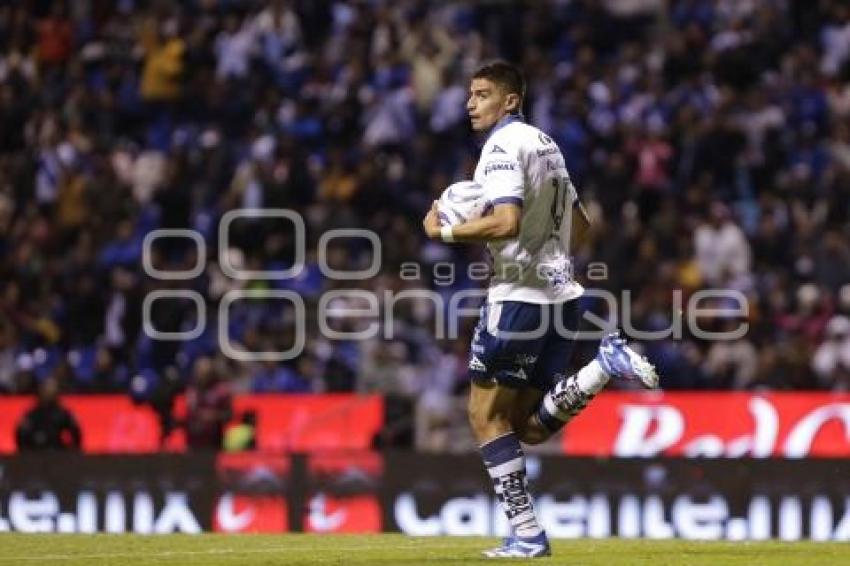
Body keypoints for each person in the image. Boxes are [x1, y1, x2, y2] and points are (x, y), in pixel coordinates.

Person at [422, 60, 659, 558]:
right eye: (470, 94)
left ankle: (528, 534)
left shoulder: (502, 147)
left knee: (484, 416)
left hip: (519, 298)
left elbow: (505, 221)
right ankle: (600, 369)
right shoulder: (546, 146)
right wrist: (543, 248)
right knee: (524, 426)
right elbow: (582, 226)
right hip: (562, 295)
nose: (470, 103)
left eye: (483, 94)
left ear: (511, 100)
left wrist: (442, 230)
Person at [15, 377, 82, 451]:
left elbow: (76, 436)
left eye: (51, 391)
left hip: (57, 452)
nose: (48, 394)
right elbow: (21, 437)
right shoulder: (32, 414)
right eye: (46, 390)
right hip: (36, 452)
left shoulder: (63, 413)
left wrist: (69, 451)